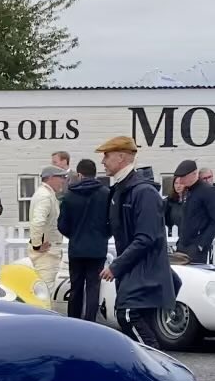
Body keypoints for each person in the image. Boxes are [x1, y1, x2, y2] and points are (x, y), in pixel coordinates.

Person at [99, 136, 176, 345]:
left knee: (127, 315)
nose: (103, 161)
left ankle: (157, 369)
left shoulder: (144, 192)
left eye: (107, 156)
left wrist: (117, 266)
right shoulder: (119, 190)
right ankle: (154, 369)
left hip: (146, 270)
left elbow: (147, 237)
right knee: (136, 322)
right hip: (135, 270)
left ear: (121, 157)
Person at [57, 157, 110, 321]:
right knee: (93, 287)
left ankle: (74, 321)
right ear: (95, 174)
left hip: (77, 248)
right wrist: (104, 235)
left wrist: (73, 235)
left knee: (76, 287)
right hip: (98, 248)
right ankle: (90, 321)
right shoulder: (106, 194)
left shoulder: (70, 195)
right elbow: (113, 222)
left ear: (79, 174)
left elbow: (62, 225)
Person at [172, 159, 215, 264]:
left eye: (183, 177)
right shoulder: (187, 191)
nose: (180, 181)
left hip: (196, 247)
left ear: (194, 174)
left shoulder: (208, 191)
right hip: (183, 245)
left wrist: (201, 244)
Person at [27, 166, 65, 301]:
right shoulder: (45, 196)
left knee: (41, 291)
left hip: (47, 252)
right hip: (46, 253)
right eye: (61, 177)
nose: (63, 180)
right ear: (50, 178)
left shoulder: (44, 194)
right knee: (44, 293)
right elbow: (38, 222)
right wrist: (37, 245)